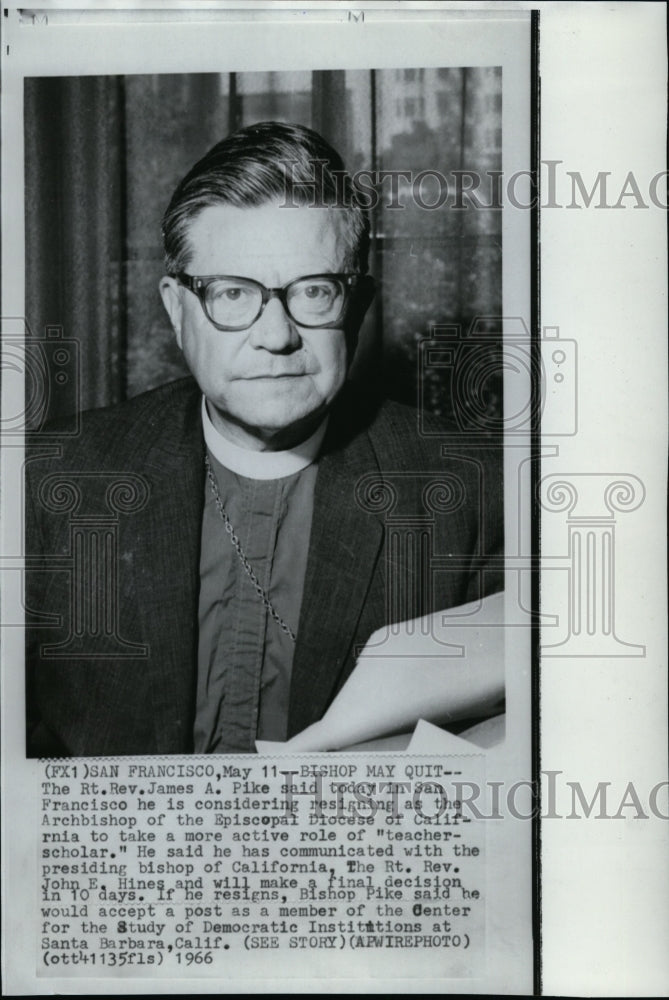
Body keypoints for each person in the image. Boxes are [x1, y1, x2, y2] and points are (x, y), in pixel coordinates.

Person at [25, 121, 503, 758]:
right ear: (176, 308)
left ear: (357, 307)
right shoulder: (49, 477)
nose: (276, 334)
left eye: (314, 291)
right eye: (232, 293)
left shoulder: (473, 487)